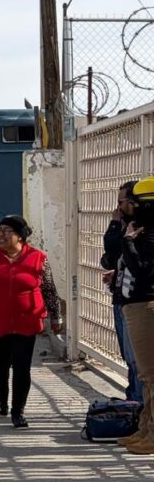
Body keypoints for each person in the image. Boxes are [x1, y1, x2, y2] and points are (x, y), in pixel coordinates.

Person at [0, 215, 62, 429]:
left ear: (20, 236)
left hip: (27, 320)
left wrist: (55, 316)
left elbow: (49, 289)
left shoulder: (38, 258)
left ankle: (18, 411)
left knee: (22, 368)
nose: (1, 235)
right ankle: (2, 398)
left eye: (7, 231)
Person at [116, 176, 154, 454]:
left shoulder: (149, 235)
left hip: (145, 306)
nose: (127, 207)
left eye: (131, 202)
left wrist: (128, 243)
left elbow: (142, 270)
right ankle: (145, 429)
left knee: (151, 374)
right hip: (137, 305)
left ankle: (152, 435)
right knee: (146, 375)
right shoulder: (143, 230)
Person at [101, 181, 143, 404]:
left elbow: (135, 261)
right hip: (121, 296)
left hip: (137, 301)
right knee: (129, 356)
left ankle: (138, 404)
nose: (117, 208)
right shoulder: (125, 227)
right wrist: (117, 271)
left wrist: (117, 228)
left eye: (121, 202)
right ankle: (134, 401)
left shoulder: (139, 230)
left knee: (137, 358)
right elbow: (110, 257)